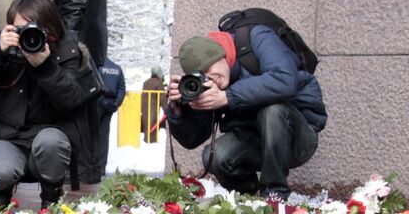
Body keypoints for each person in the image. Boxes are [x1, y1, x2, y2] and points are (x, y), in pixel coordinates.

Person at [164, 28, 326, 202]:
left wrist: (227, 97)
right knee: (215, 156)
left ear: (221, 54)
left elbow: (284, 80)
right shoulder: (213, 85)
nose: (210, 77)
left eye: (209, 67)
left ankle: (275, 194)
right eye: (202, 76)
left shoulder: (258, 37)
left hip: (298, 137)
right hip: (255, 140)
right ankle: (248, 198)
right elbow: (193, 139)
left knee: (273, 109)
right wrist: (179, 112)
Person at [0, 0, 96, 210]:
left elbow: (72, 99)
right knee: (0, 170)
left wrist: (45, 66)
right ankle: (0, 200)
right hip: (9, 138)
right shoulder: (3, 47)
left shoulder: (66, 49)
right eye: (21, 30)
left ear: (50, 28)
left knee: (50, 142)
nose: (28, 35)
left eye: (35, 29)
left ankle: (51, 199)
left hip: (49, 137)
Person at [48, 0, 109, 181]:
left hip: (79, 43)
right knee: (89, 113)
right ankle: (91, 171)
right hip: (94, 40)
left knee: (77, 109)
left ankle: (83, 174)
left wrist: (68, 46)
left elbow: (73, 2)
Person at [96, 56, 125, 173]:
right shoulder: (117, 68)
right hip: (111, 105)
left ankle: (93, 167)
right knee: (104, 137)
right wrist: (116, 103)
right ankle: (102, 167)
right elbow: (122, 88)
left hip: (97, 104)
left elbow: (93, 86)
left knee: (92, 136)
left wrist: (101, 101)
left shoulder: (97, 67)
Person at [140, 65, 164, 143]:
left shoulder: (146, 82)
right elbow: (162, 97)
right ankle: (152, 142)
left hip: (144, 107)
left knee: (147, 124)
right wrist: (166, 109)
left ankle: (146, 140)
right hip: (153, 107)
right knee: (153, 125)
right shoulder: (159, 83)